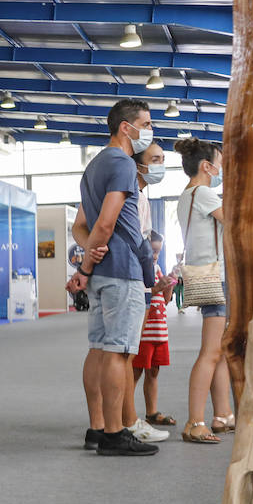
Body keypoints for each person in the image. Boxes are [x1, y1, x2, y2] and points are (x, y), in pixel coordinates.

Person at [65, 99, 160, 456]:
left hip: (105, 272)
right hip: (121, 272)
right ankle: (116, 433)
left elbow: (81, 228)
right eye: (146, 123)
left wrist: (89, 256)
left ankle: (98, 428)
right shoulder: (121, 163)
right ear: (126, 127)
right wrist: (87, 264)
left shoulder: (93, 166)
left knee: (100, 348)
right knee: (119, 353)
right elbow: (104, 223)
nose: (149, 131)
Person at [174, 137, 233, 443]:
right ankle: (195, 421)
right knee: (211, 352)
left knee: (218, 351)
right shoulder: (205, 193)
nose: (222, 170)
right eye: (221, 165)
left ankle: (222, 414)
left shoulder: (186, 195)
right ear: (206, 166)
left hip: (202, 275)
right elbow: (236, 223)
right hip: (216, 277)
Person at [134, 230, 177, 427]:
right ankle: (127, 414)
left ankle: (151, 412)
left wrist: (168, 285)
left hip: (159, 332)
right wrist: (157, 288)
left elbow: (165, 300)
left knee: (153, 372)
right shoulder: (139, 270)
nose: (155, 256)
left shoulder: (158, 268)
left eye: (158, 251)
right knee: (134, 373)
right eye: (152, 251)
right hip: (143, 333)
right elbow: (141, 294)